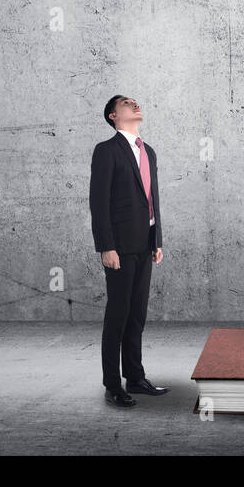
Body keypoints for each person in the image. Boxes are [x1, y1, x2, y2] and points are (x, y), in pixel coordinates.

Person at [90, 95, 169, 407]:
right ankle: (113, 384)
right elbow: (98, 202)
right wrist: (106, 246)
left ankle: (135, 378)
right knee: (118, 315)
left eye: (136, 102)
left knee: (137, 315)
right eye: (126, 103)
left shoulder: (147, 151)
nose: (135, 105)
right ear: (113, 115)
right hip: (119, 247)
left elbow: (153, 199)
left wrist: (157, 239)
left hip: (144, 243)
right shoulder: (106, 150)